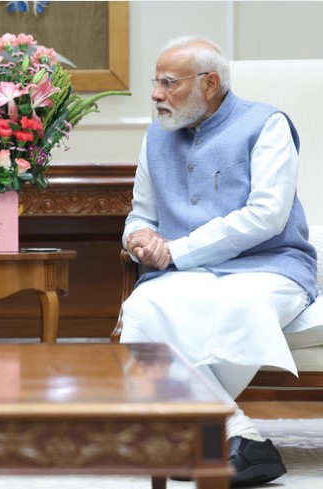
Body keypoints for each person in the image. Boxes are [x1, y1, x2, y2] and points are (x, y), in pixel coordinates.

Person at [120, 36, 317, 487]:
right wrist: (140, 238)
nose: (155, 94)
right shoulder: (157, 134)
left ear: (209, 84)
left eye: (169, 83)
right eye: (156, 82)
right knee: (142, 310)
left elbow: (267, 215)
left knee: (235, 306)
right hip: (185, 272)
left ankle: (195, 435)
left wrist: (176, 251)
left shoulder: (267, 125)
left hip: (271, 265)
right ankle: (239, 436)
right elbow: (141, 212)